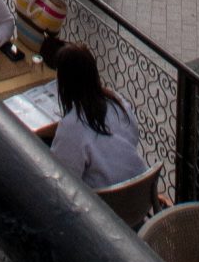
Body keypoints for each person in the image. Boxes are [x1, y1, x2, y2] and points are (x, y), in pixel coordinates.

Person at [49, 43, 144, 185]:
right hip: (140, 187)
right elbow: (133, 136)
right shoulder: (117, 102)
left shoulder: (72, 126)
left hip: (104, 196)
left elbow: (61, 179)